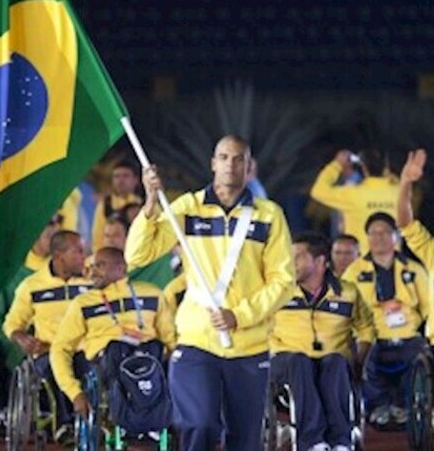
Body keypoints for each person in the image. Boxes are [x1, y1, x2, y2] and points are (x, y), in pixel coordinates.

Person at [126, 134, 294, 451]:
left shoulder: (269, 215)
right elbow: (136, 255)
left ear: (249, 167)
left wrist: (239, 316)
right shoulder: (189, 208)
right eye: (224, 157)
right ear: (213, 164)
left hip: (249, 345)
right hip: (196, 341)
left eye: (239, 159)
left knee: (244, 440)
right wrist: (150, 202)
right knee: (200, 424)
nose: (231, 165)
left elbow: (283, 282)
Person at [270, 232, 374, 451]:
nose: (291, 262)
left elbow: (366, 328)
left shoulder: (348, 292)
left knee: (336, 361)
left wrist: (359, 361)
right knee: (300, 362)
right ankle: (313, 441)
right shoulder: (279, 292)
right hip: (286, 361)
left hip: (331, 360)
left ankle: (340, 441)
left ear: (319, 262)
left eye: (298, 257)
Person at [50, 247, 173, 419]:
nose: (92, 272)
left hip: (148, 358)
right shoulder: (82, 303)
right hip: (106, 363)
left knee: (156, 348)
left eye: (99, 265)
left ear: (121, 267)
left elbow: (171, 340)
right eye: (91, 266)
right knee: (116, 349)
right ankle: (126, 412)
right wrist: (74, 392)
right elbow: (60, 348)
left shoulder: (153, 294)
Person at [2, 230, 91, 443]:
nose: (84, 255)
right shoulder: (32, 286)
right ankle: (65, 424)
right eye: (77, 251)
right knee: (55, 366)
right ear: (59, 256)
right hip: (48, 351)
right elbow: (12, 324)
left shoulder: (91, 281)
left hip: (85, 349)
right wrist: (22, 338)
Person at [341, 212, 428, 428]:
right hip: (372, 336)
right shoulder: (354, 271)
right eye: (373, 233)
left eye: (384, 232)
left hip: (407, 336)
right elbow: (344, 308)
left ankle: (404, 408)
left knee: (420, 356)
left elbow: (429, 307)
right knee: (361, 358)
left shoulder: (414, 270)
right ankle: (378, 407)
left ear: (396, 237)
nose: (378, 238)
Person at [310, 148, 399, 250]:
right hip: (392, 259)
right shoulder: (399, 191)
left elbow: (318, 191)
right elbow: (395, 180)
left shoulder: (351, 194)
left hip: (360, 260)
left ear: (364, 167)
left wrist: (337, 165)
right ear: (386, 165)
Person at [92, 160, 143, 250]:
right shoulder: (105, 205)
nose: (120, 180)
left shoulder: (146, 203)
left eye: (125, 176)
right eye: (116, 176)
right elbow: (98, 238)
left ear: (136, 180)